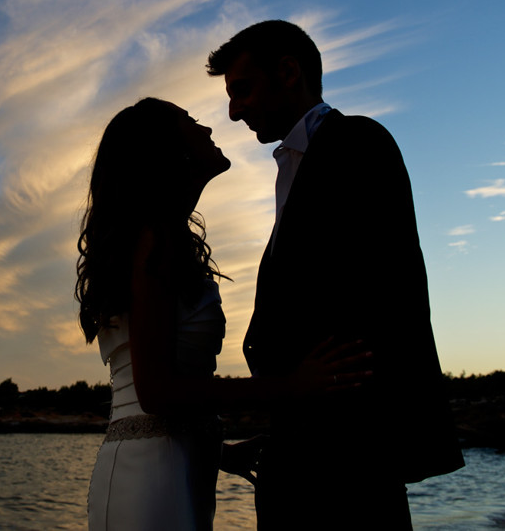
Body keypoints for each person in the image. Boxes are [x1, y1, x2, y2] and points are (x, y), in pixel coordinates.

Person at [206, 20, 464, 529]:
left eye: (243, 90)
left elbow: (384, 294)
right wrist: (286, 429)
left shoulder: (356, 142)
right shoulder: (295, 163)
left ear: (288, 72)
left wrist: (331, 434)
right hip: (305, 447)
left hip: (347, 462)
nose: (234, 111)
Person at [76, 97, 370, 531]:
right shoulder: (154, 241)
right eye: (192, 121)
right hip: (153, 480)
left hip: (164, 465)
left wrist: (218, 451)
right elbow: (156, 393)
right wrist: (289, 386)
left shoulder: (162, 238)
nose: (209, 128)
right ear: (167, 149)